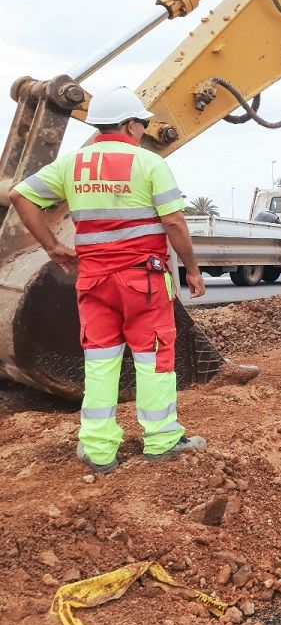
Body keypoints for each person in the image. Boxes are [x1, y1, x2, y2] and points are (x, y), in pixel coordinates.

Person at [8, 86, 209, 473]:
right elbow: (173, 221)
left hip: (94, 281)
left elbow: (20, 196)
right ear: (130, 124)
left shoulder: (73, 165)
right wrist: (193, 269)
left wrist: (52, 246)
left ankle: (99, 450)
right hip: (142, 282)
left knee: (100, 361)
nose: (143, 129)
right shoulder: (148, 163)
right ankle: (162, 439)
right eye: (142, 123)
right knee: (153, 359)